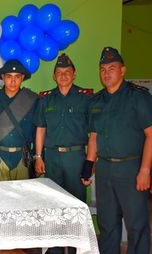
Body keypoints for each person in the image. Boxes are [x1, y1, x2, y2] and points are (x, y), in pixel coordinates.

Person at [82, 47, 152, 253]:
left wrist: (145, 171)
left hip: (131, 169)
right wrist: (88, 166)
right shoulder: (96, 101)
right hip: (104, 170)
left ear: (123, 70)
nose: (106, 73)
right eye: (102, 69)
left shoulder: (138, 97)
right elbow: (94, 136)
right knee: (107, 224)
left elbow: (151, 134)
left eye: (112, 68)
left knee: (136, 225)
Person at [34, 53, 92, 203]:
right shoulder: (45, 99)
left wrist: (91, 161)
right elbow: (41, 129)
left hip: (76, 157)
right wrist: (38, 157)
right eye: (59, 73)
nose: (63, 76)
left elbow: (94, 133)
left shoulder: (85, 98)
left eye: (67, 72)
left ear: (74, 74)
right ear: (54, 76)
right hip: (52, 157)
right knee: (52, 201)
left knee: (76, 201)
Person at [0, 59, 38, 181]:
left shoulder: (31, 100)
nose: (13, 81)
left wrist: (37, 159)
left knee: (23, 198)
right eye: (9, 76)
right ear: (3, 77)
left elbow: (37, 133)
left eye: (17, 77)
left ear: (22, 78)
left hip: (22, 159)